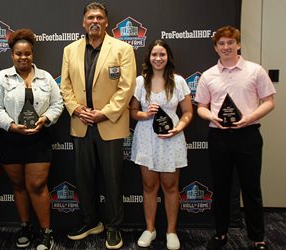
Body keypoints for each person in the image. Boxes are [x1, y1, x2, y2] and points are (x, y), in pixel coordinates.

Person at [60, 2, 136, 249]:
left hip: (109, 124)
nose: (95, 21)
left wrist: (103, 114)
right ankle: (91, 221)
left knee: (113, 179)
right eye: (90, 17)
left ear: (106, 22)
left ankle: (113, 226)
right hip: (81, 123)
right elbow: (66, 86)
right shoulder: (70, 50)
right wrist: (75, 109)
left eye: (100, 17)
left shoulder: (122, 49)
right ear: (84, 22)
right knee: (83, 178)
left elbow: (126, 89)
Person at [195, 26, 275, 250]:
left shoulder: (255, 70)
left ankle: (257, 237)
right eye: (221, 43)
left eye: (230, 42)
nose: (226, 47)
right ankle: (220, 234)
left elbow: (269, 101)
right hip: (219, 136)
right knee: (220, 188)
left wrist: (249, 118)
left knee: (251, 188)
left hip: (248, 135)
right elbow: (201, 107)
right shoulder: (208, 75)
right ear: (215, 48)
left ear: (238, 44)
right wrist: (212, 116)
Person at [0, 29, 63, 250]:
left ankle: (46, 232)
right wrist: (11, 126)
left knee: (38, 185)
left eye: (27, 53)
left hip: (38, 138)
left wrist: (46, 119)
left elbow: (58, 104)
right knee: (19, 186)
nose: (23, 57)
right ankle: (25, 226)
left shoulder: (46, 77)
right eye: (18, 54)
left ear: (33, 54)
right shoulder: (1, 78)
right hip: (10, 138)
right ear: (12, 55)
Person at [129, 40, 193, 250]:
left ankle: (171, 232)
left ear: (168, 57)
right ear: (149, 57)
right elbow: (133, 112)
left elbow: (188, 112)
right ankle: (150, 229)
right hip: (146, 139)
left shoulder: (179, 81)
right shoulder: (140, 81)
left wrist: (179, 127)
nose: (158, 58)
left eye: (162, 55)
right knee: (149, 186)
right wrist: (145, 114)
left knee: (171, 187)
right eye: (154, 54)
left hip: (171, 139)